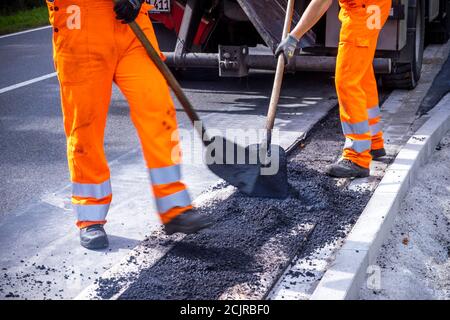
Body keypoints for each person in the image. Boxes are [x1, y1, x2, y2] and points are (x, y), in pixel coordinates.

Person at [46, 0, 212, 250]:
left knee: (158, 109)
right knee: (85, 128)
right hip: (79, 24)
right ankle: (90, 218)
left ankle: (174, 208)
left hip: (131, 25)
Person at [276, 0, 392, 178]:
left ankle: (357, 158)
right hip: (374, 7)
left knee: (347, 80)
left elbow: (322, 1)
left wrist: (293, 37)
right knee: (361, 74)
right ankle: (373, 142)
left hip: (362, 12)